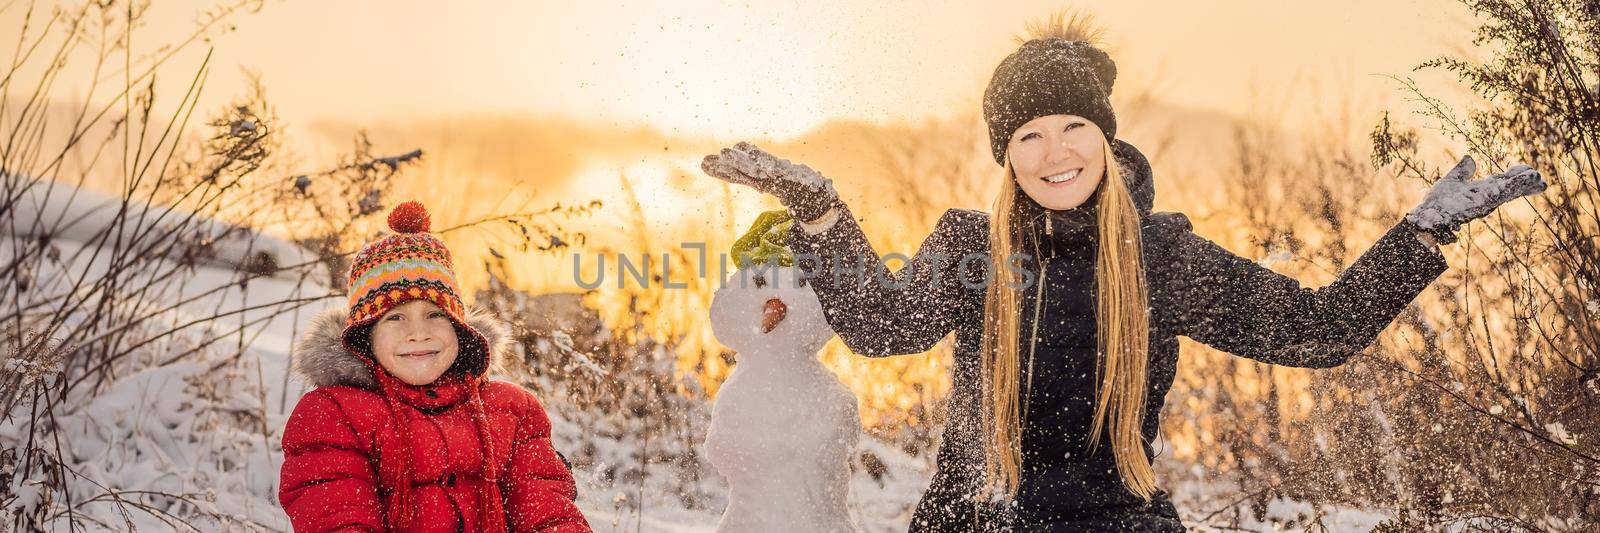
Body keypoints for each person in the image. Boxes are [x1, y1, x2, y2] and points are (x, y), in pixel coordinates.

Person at [698, 17, 1545, 532]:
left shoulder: (1162, 258)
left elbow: (1314, 331)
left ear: (1105, 137)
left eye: (1073, 126)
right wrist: (817, 208)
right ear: (1006, 156)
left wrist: (1420, 234)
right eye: (1029, 134)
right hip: (972, 523)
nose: (1054, 150)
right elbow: (884, 328)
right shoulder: (971, 246)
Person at [278, 201, 590, 532]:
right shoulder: (333, 413)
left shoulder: (511, 410)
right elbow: (338, 517)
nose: (418, 333)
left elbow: (548, 511)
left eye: (434, 315)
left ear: (458, 327)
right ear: (365, 336)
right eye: (395, 318)